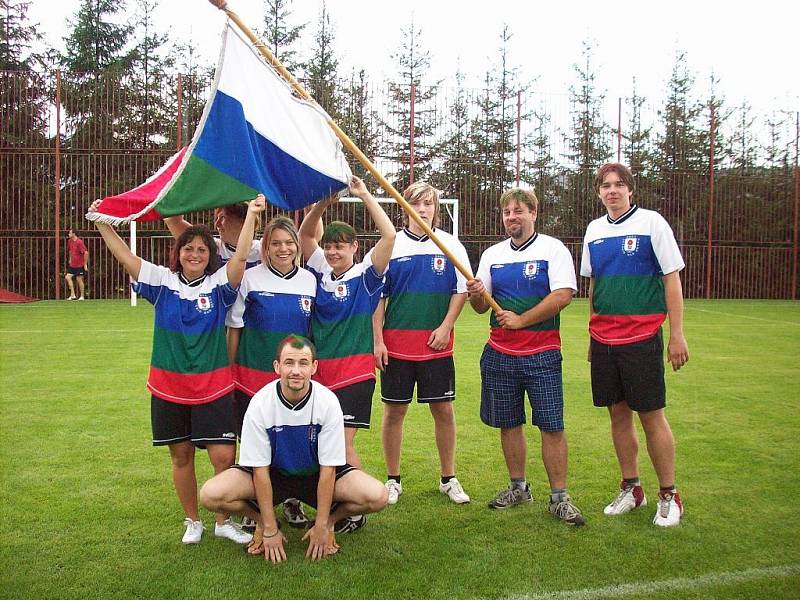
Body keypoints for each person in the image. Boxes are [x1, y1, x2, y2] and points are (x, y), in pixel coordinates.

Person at [87, 196, 266, 545]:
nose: (195, 254)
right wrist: (102, 223)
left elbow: (242, 255)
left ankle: (223, 521)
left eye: (201, 249)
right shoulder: (161, 282)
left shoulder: (219, 286)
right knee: (181, 455)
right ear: (179, 252)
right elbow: (125, 256)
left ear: (209, 256)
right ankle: (193, 521)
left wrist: (253, 217)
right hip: (169, 388)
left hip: (214, 387)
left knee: (223, 456)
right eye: (189, 249)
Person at [199, 335, 389, 563]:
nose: (296, 371)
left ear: (314, 367)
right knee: (211, 494)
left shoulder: (327, 402)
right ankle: (260, 519)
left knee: (378, 496)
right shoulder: (260, 403)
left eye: (303, 363)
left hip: (315, 475)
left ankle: (330, 521)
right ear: (277, 366)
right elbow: (259, 470)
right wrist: (268, 527)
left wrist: (321, 525)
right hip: (273, 475)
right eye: (289, 363)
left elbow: (328, 469)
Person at [466, 188, 586, 526]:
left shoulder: (553, 249)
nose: (512, 218)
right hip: (500, 354)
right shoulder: (492, 254)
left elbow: (563, 295)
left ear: (534, 213)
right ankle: (518, 488)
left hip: (542, 354)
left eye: (518, 211)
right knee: (509, 423)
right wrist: (477, 294)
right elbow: (479, 308)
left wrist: (521, 319)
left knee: (551, 425)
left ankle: (559, 498)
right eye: (507, 213)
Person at [580, 163, 689, 528]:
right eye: (605, 186)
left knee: (651, 415)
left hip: (642, 337)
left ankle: (669, 494)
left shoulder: (652, 223)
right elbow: (594, 286)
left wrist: (676, 334)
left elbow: (671, 280)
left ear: (630, 190)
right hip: (604, 338)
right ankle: (632, 488)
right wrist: (591, 335)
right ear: (598, 192)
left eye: (619, 185)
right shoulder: (594, 230)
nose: (612, 191)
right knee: (617, 414)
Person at [298, 175, 396, 533]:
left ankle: (356, 508)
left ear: (355, 247)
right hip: (322, 376)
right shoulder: (320, 272)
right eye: (331, 246)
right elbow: (307, 236)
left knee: (342, 441)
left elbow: (389, 236)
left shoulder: (366, 275)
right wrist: (323, 202)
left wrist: (364, 194)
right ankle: (341, 501)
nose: (334, 252)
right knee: (323, 441)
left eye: (341, 246)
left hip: (355, 373)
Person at [371, 182, 471, 506]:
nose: (423, 209)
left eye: (429, 203)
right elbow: (378, 298)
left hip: (436, 346)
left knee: (443, 410)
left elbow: (461, 290)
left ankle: (448, 478)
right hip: (396, 346)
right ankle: (393, 479)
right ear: (404, 207)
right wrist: (378, 341)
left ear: (436, 207)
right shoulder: (391, 245)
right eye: (416, 203)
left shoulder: (450, 244)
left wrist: (445, 327)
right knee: (394, 412)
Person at [227, 216, 316, 528]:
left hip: (292, 382)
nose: (283, 248)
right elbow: (234, 326)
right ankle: (254, 504)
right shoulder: (250, 279)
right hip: (251, 377)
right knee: (252, 442)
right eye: (275, 243)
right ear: (264, 246)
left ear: (296, 246)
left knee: (292, 440)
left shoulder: (309, 281)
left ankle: (291, 501)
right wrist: (231, 368)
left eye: (289, 242)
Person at [164, 203, 262, 268]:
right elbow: (172, 220)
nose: (217, 224)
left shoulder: (263, 249)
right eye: (217, 218)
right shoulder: (212, 247)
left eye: (223, 218)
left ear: (243, 221)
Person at [65, 229, 88, 300]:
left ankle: (82, 296)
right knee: (67, 277)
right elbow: (70, 251)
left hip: (79, 265)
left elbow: (86, 253)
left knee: (79, 279)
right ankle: (72, 295)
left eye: (70, 233)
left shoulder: (79, 242)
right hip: (72, 264)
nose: (68, 234)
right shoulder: (69, 241)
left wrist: (85, 264)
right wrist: (70, 259)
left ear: (74, 234)